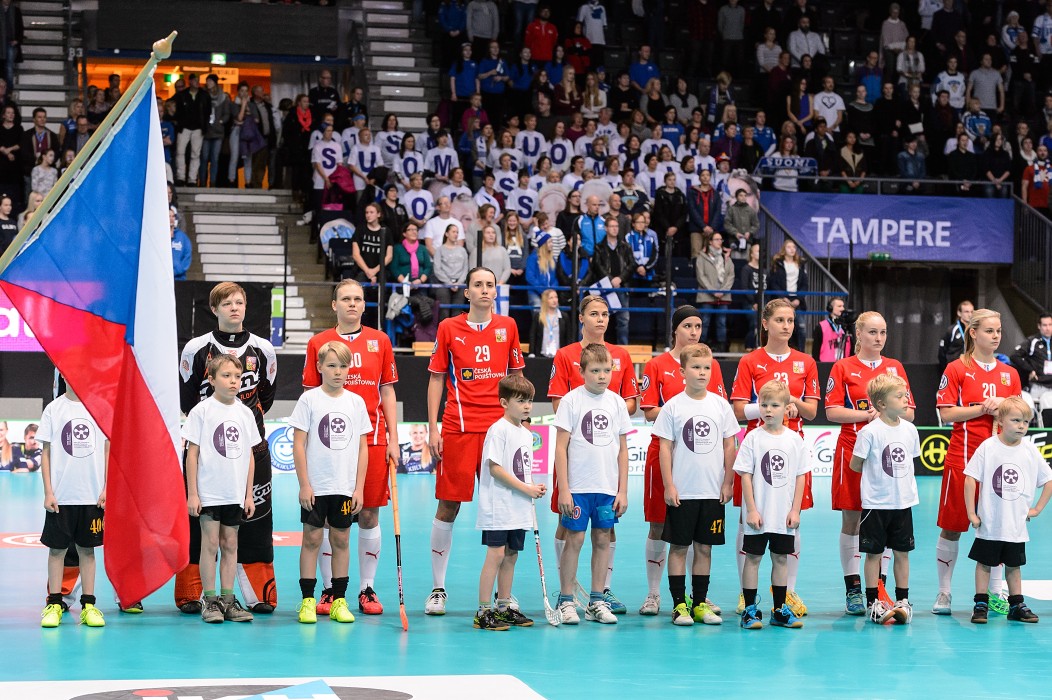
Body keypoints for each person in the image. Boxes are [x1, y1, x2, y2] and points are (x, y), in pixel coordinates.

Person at [425, 267, 525, 615]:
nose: (485, 289)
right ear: (466, 292)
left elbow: (517, 379)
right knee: (448, 505)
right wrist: (433, 428)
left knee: (505, 509)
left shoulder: (508, 326)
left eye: (490, 284)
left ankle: (504, 595)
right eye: (478, 285)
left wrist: (521, 423)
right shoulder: (449, 328)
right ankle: (438, 588)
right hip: (459, 428)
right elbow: (437, 379)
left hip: (500, 430)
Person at [177, 282, 278, 615]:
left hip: (249, 450)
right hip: (205, 454)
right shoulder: (195, 348)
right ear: (215, 309)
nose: (235, 308)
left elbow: (266, 399)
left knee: (252, 522)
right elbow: (187, 400)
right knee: (200, 530)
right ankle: (196, 594)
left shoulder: (263, 349)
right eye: (227, 303)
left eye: (240, 302)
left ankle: (251, 593)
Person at [301, 280, 399, 616]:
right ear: (334, 305)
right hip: (328, 448)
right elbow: (309, 399)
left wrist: (394, 440)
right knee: (329, 521)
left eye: (358, 299)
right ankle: (329, 591)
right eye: (346, 299)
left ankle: (366, 588)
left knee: (369, 513)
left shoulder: (380, 340)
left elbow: (387, 392)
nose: (352, 304)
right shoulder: (318, 343)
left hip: (370, 440)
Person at [547, 294, 638, 615]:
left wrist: (623, 490)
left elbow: (624, 448)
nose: (602, 376)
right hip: (577, 482)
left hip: (606, 486)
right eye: (594, 314)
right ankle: (567, 598)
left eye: (606, 371)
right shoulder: (571, 397)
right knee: (574, 538)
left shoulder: (615, 401)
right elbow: (559, 444)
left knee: (603, 537)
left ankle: (598, 599)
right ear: (582, 370)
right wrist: (565, 486)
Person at [730, 298, 819, 618]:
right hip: (758, 447)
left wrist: (789, 401)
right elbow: (739, 409)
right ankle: (747, 596)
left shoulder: (805, 362)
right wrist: (771, 406)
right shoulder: (751, 361)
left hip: (791, 448)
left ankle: (787, 593)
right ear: (765, 323)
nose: (786, 326)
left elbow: (811, 410)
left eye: (791, 321)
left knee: (790, 521)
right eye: (780, 320)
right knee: (748, 521)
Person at [933, 308, 1022, 615]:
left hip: (999, 464)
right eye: (989, 331)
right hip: (962, 458)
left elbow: (1018, 414)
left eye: (998, 331)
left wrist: (1006, 407)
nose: (995, 336)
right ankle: (944, 593)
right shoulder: (956, 369)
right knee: (952, 527)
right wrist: (982, 408)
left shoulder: (1009, 374)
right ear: (973, 333)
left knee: (997, 529)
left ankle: (995, 593)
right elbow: (946, 413)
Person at [825, 311, 914, 615]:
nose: (879, 339)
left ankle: (880, 588)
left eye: (883, 333)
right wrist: (866, 416)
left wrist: (891, 416)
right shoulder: (843, 367)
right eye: (873, 332)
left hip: (887, 455)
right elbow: (832, 411)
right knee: (851, 521)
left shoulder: (895, 368)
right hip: (854, 448)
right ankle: (853, 590)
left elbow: (910, 412)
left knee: (888, 517)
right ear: (859, 334)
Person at [638, 307, 726, 616]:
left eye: (698, 326)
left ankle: (697, 597)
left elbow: (721, 413)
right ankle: (653, 594)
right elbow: (648, 411)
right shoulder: (656, 365)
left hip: (701, 457)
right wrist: (681, 412)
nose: (693, 331)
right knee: (660, 525)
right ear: (675, 329)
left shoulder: (707, 365)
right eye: (687, 325)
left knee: (698, 530)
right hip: (664, 451)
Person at [651, 343, 736, 626]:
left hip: (712, 491)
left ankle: (699, 603)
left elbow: (729, 445)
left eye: (707, 368)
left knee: (704, 548)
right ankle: (679, 605)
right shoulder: (673, 407)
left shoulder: (721, 406)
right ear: (682, 371)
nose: (702, 373)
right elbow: (665, 448)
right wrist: (669, 485)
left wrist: (728, 482)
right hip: (682, 491)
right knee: (678, 547)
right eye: (696, 367)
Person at [291, 341, 371, 625]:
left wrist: (358, 487)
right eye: (332, 366)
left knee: (341, 540)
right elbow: (298, 444)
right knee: (312, 539)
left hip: (344, 486)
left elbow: (363, 448)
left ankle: (339, 601)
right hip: (316, 485)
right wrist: (304, 484)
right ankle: (308, 602)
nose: (338, 372)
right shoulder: (309, 400)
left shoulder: (356, 402)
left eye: (344, 366)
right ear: (319, 367)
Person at [183, 355, 258, 624]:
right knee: (210, 544)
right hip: (209, 492)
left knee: (231, 544)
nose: (233, 381)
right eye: (226, 376)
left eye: (237, 377)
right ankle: (210, 600)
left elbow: (249, 455)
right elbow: (192, 454)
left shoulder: (245, 413)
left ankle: (228, 600)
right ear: (212, 380)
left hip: (235, 493)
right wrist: (193, 493)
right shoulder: (201, 411)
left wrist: (248, 494)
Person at [964, 397, 1052, 624]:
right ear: (1001, 420)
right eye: (1016, 420)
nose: (1022, 425)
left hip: (1016, 525)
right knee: (984, 564)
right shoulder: (988, 447)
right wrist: (971, 513)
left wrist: (1038, 508)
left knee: (1014, 566)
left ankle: (1016, 604)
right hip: (990, 523)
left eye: (1026, 421)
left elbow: (1048, 479)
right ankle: (981, 603)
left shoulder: (1030, 450)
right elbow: (970, 478)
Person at [733, 379, 810, 630]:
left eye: (775, 405)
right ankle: (750, 610)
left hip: (783, 515)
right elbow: (745, 475)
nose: (768, 410)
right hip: (759, 515)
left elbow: (800, 476)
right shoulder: (752, 438)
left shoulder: (795, 440)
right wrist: (752, 509)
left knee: (780, 560)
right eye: (763, 404)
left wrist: (795, 509)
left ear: (787, 407)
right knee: (752, 559)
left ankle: (779, 610)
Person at [474, 375, 546, 631]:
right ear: (504, 402)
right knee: (496, 554)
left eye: (529, 401)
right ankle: (483, 612)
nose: (527, 406)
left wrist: (533, 487)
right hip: (499, 506)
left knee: (511, 555)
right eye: (520, 401)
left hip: (518, 505)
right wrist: (526, 488)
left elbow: (522, 468)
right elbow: (495, 469)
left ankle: (503, 607)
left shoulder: (525, 433)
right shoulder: (498, 430)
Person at [849, 373, 920, 625]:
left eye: (905, 395)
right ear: (881, 404)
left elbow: (909, 461)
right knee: (873, 554)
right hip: (876, 504)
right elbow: (855, 464)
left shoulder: (910, 430)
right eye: (898, 396)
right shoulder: (869, 432)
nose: (905, 399)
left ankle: (902, 600)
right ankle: (873, 602)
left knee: (902, 552)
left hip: (903, 504)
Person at [38, 380, 108, 629]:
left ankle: (89, 605)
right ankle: (54, 602)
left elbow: (108, 449)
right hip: (62, 496)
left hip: (91, 496)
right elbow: (45, 453)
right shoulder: (53, 410)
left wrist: (106, 487)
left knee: (87, 551)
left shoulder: (100, 408)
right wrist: (48, 491)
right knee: (57, 550)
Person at [695, 231, 734, 352]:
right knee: (705, 321)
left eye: (721, 239)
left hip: (724, 295)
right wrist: (712, 291)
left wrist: (723, 291)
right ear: (710, 241)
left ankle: (721, 348)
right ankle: (701, 348)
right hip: (706, 295)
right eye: (717, 239)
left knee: (721, 322)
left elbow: (730, 276)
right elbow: (701, 276)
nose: (719, 242)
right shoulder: (702, 257)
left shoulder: (726, 257)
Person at [1010, 313, 1052, 425]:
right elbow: (1015, 356)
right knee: (1030, 411)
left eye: (1050, 325)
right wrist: (1030, 370)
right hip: (1038, 384)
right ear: (1039, 326)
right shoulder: (1032, 341)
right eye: (1044, 325)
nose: (1047, 328)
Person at [767, 240, 809, 350]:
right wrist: (782, 297)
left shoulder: (800, 264)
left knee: (801, 327)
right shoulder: (778, 263)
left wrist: (798, 299)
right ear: (784, 249)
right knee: (782, 327)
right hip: (782, 299)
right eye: (789, 247)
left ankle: (801, 352)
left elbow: (805, 284)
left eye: (794, 247)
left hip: (797, 301)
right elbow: (773, 282)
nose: (792, 249)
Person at [433, 224, 470, 321]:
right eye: (453, 232)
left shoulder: (462, 250)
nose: (456, 234)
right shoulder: (440, 250)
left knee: (457, 312)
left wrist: (459, 283)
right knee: (443, 311)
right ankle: (443, 334)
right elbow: (437, 269)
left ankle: (456, 335)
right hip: (443, 284)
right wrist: (449, 283)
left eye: (457, 232)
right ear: (446, 234)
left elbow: (466, 268)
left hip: (460, 284)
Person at [529, 288, 571, 358]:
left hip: (559, 356)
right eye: (551, 298)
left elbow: (569, 337)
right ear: (545, 301)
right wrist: (532, 352)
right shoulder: (538, 316)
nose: (554, 300)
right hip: (541, 356)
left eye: (556, 297)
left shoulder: (564, 316)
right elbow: (533, 335)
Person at [811, 297, 851, 362]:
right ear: (830, 308)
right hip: (826, 366)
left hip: (844, 366)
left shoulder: (846, 327)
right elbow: (815, 351)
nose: (842, 309)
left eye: (843, 306)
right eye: (839, 306)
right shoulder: (821, 327)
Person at [938, 299, 973, 370]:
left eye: (972, 312)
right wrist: (946, 369)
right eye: (966, 312)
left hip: (970, 370)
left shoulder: (975, 331)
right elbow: (941, 353)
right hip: (954, 370)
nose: (970, 314)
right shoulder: (952, 330)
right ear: (959, 313)